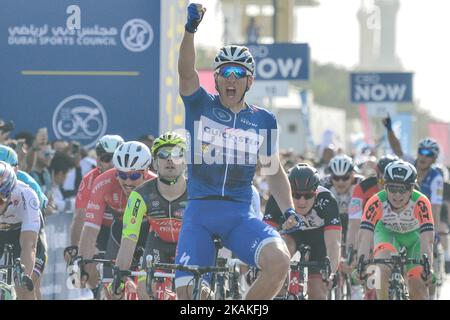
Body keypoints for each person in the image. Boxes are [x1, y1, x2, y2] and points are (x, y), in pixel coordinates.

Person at [175, 3, 292, 300]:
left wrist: (288, 209)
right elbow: (186, 72)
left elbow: (273, 171)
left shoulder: (263, 119)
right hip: (200, 211)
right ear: (215, 78)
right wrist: (191, 30)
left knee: (279, 261)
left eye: (238, 73)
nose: (231, 78)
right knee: (191, 297)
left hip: (239, 214)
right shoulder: (201, 105)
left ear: (249, 81)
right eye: (224, 72)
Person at [114, 132, 187, 299]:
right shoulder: (140, 195)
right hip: (157, 243)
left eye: (177, 154)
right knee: (144, 290)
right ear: (155, 162)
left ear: (185, 161)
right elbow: (128, 241)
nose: (170, 159)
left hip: (187, 243)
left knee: (191, 292)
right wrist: (119, 277)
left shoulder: (198, 192)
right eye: (163, 154)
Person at [77, 141, 157, 293]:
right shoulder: (102, 183)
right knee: (111, 288)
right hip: (120, 232)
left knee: (148, 288)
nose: (127, 182)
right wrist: (83, 262)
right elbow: (90, 229)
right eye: (122, 175)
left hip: (150, 233)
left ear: (146, 172)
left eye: (134, 175)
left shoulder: (155, 184)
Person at [357, 160, 434, 300]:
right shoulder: (375, 202)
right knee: (381, 269)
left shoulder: (421, 202)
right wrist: (361, 263)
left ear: (412, 188)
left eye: (403, 189)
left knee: (417, 287)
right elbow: (364, 236)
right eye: (392, 188)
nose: (397, 195)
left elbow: (427, 239)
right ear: (385, 186)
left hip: (414, 238)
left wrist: (427, 266)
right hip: (387, 234)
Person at [264, 163, 341, 299]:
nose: (301, 201)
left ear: (316, 192)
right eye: (296, 195)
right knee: (277, 273)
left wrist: (332, 273)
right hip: (291, 235)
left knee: (316, 289)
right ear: (288, 191)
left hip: (319, 240)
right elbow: (265, 236)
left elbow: (333, 243)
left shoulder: (327, 200)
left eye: (308, 195)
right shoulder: (277, 198)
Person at [0, 161, 47, 300]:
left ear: (9, 193)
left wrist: (23, 276)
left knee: (24, 287)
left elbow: (29, 245)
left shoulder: (26, 195)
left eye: (0, 199)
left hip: (21, 233)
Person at [69, 135, 124, 249]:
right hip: (101, 228)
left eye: (116, 158)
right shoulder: (89, 179)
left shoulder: (133, 176)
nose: (112, 164)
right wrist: (74, 248)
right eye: (107, 159)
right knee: (88, 255)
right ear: (98, 161)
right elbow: (80, 216)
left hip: (127, 227)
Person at [320, 154, 363, 256]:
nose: (340, 182)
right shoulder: (323, 184)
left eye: (345, 177)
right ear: (330, 176)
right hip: (332, 218)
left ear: (353, 175)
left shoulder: (361, 183)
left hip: (354, 219)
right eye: (336, 177)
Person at [0, 144, 48, 210]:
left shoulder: (30, 185)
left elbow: (41, 212)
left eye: (5, 169)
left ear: (16, 169)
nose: (2, 174)